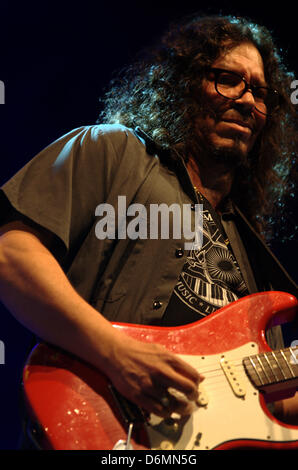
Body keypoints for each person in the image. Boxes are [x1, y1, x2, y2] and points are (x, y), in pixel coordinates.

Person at [0, 14, 298, 443]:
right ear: (184, 85)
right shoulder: (112, 150)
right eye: (228, 79)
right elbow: (11, 254)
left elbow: (267, 403)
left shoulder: (251, 250)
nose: (247, 100)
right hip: (102, 423)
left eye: (260, 91)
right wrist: (114, 352)